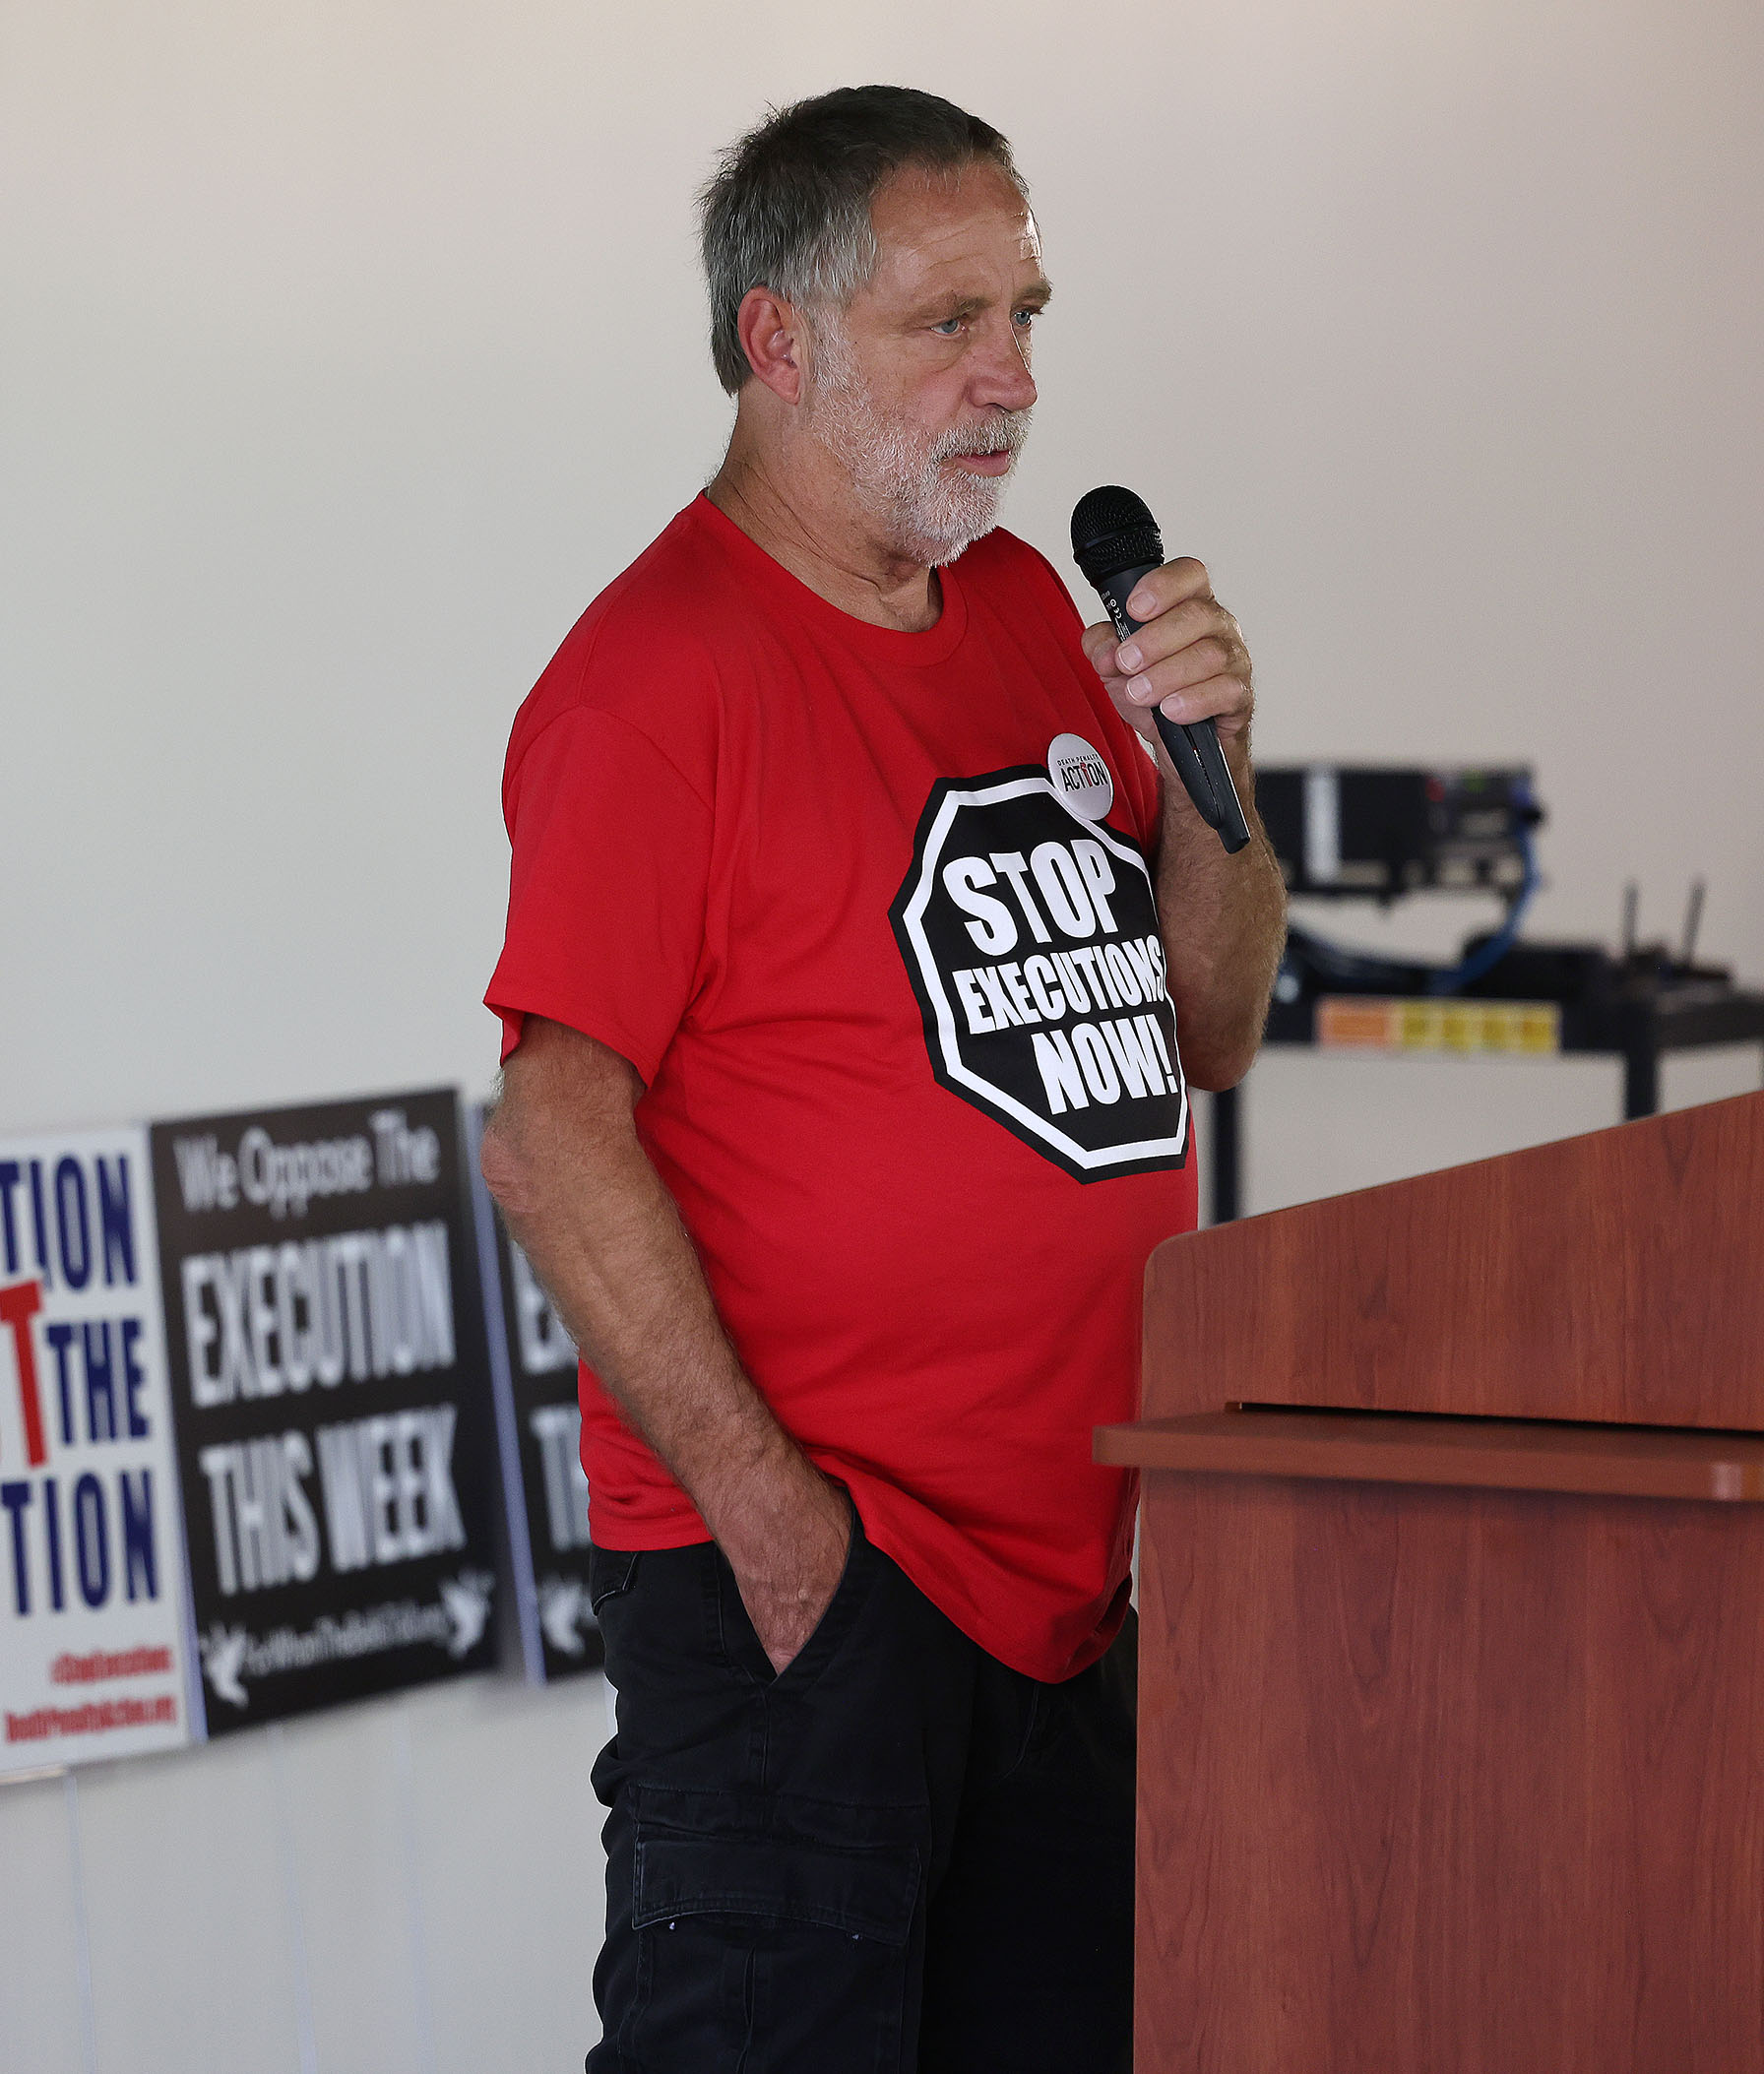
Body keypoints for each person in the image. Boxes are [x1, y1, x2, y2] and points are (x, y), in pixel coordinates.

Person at [476, 86, 1286, 2071]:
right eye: (951, 323)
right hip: (818, 1612)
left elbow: (1213, 1026)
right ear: (782, 339)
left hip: (1067, 1595)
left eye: (1025, 314)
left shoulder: (1032, 615)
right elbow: (549, 1134)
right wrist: (779, 1534)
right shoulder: (657, 679)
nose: (1011, 378)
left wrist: (1216, 772)